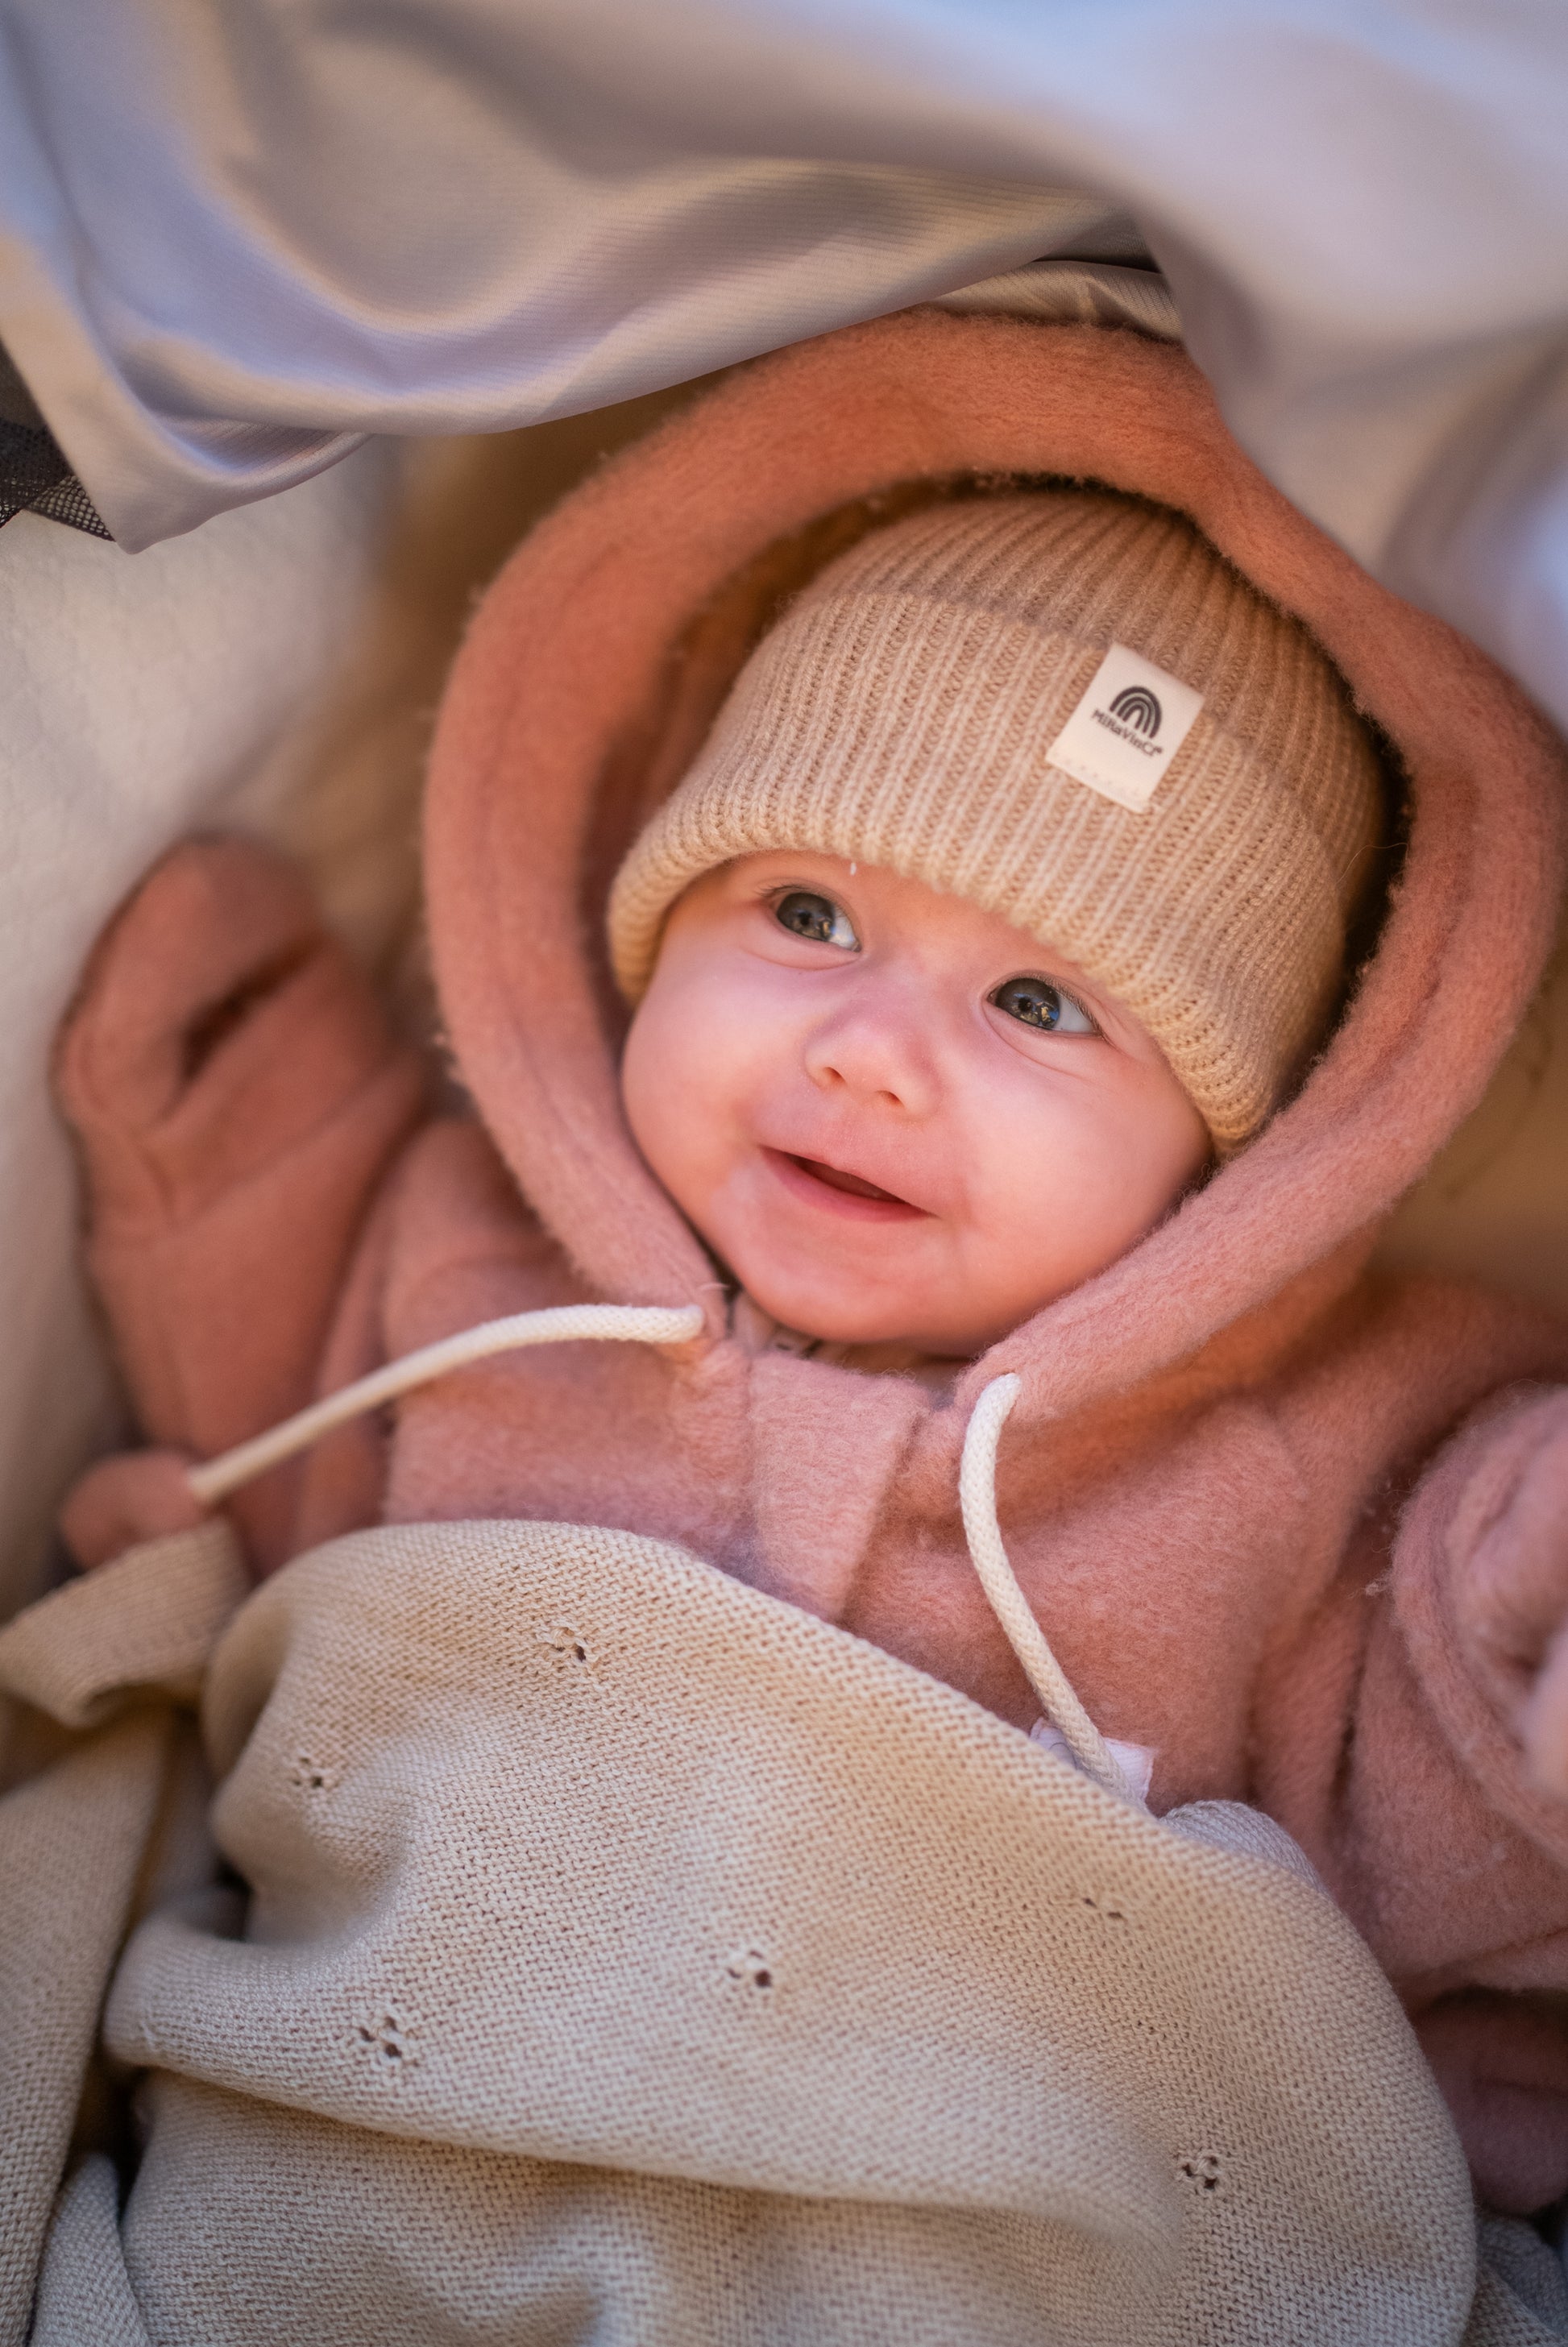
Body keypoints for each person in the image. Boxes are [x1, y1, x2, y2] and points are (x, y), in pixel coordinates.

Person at [44, 309, 1568, 2243]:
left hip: (971, 2235)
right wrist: (230, 1110)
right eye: (805, 909)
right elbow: (276, 1407)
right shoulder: (472, 1266)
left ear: (1230, 1159)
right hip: (384, 2175)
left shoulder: (1295, 1456)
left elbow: (1449, 1706)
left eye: (1038, 1004)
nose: (868, 1053)